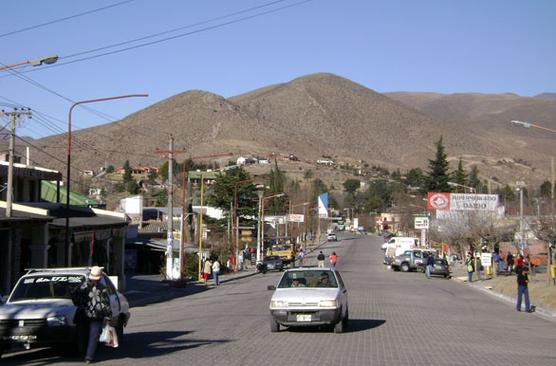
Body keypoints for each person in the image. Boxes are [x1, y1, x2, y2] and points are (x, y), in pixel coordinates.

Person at [72, 266, 112, 364]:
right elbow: (106, 303)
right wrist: (108, 316)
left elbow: (74, 297)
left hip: (82, 314)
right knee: (93, 336)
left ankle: (83, 354)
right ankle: (89, 357)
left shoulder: (82, 286)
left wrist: (79, 304)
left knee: (82, 336)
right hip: (96, 315)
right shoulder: (103, 288)